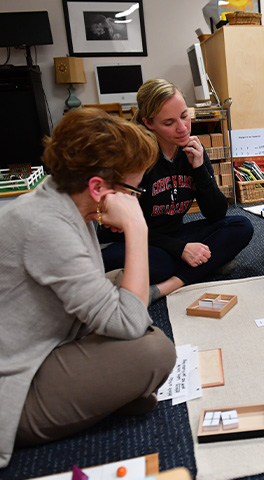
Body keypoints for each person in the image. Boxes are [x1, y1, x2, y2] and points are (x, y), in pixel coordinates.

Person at [0, 108, 177, 468]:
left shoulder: (60, 200)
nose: (135, 200)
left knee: (123, 287)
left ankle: (114, 389)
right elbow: (130, 324)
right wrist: (137, 228)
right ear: (98, 187)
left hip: (49, 341)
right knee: (155, 351)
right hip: (16, 385)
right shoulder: (46, 226)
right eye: (132, 190)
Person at [99, 79, 253, 301]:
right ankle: (207, 263)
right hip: (130, 241)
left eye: (184, 116)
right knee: (158, 263)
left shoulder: (192, 149)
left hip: (172, 235)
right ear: (149, 123)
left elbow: (217, 213)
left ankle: (164, 287)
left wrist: (199, 168)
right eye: (169, 122)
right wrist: (180, 249)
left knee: (242, 226)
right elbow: (125, 226)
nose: (182, 128)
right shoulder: (134, 156)